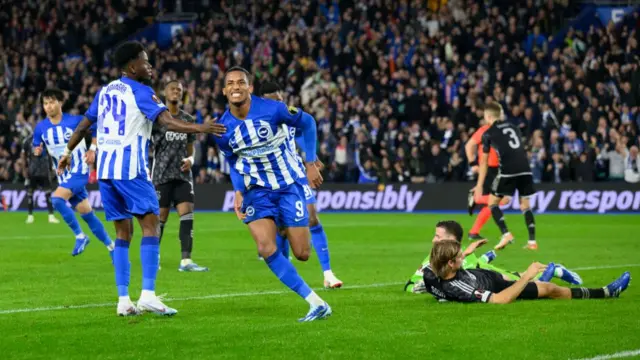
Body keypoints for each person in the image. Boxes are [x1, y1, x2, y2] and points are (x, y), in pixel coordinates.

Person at [58, 41, 225, 316]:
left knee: (123, 233)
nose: (150, 66)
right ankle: (148, 294)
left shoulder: (105, 91)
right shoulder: (141, 91)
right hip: (130, 169)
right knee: (151, 226)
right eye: (145, 61)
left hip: (107, 173)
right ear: (132, 66)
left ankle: (123, 300)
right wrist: (201, 127)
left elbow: (85, 124)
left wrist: (67, 151)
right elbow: (167, 122)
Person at [213, 66, 331, 322]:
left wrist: (310, 163)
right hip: (257, 191)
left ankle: (280, 224)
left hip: (289, 186)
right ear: (224, 90)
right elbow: (233, 162)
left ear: (250, 87)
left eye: (241, 82)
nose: (236, 87)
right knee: (266, 247)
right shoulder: (222, 129)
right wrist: (237, 190)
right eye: (230, 83)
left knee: (302, 253)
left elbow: (308, 122)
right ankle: (315, 302)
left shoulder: (272, 109)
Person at [259, 81, 343, 289]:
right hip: (272, 180)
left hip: (295, 173)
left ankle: (328, 273)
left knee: (312, 217)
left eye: (280, 98)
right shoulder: (257, 122)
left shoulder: (286, 114)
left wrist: (311, 158)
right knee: (282, 229)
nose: (280, 103)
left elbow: (302, 131)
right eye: (275, 100)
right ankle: (286, 273)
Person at [32, 88, 113, 258]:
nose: (48, 106)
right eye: (45, 103)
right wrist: (38, 151)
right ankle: (112, 248)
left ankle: (80, 236)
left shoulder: (75, 120)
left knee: (56, 199)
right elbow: (37, 145)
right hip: (63, 175)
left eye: (52, 102)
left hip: (79, 169)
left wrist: (92, 148)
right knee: (88, 215)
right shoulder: (40, 128)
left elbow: (97, 126)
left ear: (60, 103)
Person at [424, 239, 631, 303]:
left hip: (488, 275)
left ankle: (545, 273)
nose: (463, 256)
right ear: (450, 264)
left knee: (531, 279)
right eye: (459, 256)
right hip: (500, 285)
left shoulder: (432, 272)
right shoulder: (459, 287)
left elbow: (433, 275)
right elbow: (499, 300)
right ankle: (606, 292)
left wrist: (467, 251)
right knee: (550, 289)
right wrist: (526, 278)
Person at [404, 220, 582, 294]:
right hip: (498, 275)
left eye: (437, 236)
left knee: (525, 283)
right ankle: (554, 270)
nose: (433, 240)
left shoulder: (455, 259)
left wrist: (416, 287)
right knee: (517, 275)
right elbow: (411, 283)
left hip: (498, 281)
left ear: (451, 240)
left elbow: (412, 283)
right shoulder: (449, 256)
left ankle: (551, 272)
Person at [151, 80, 208, 272]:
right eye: (172, 89)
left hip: (183, 176)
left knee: (187, 215)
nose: (176, 92)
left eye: (179, 90)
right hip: (161, 175)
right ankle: (154, 258)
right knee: (160, 219)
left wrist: (191, 160)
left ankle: (186, 261)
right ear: (165, 93)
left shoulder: (188, 119)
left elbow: (191, 149)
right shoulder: (157, 119)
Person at [474, 102, 537, 250]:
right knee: (525, 206)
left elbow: (483, 162)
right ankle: (532, 242)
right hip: (525, 169)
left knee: (492, 203)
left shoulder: (488, 133)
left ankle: (506, 234)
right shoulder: (513, 127)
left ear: (488, 116)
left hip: (508, 170)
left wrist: (479, 185)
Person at [465, 121, 509, 240]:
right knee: (503, 200)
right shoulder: (484, 130)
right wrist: (473, 164)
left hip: (497, 169)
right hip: (489, 169)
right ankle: (475, 198)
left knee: (493, 203)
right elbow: (469, 145)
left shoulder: (503, 131)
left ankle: (474, 232)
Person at [21, 134, 59, 224]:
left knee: (48, 193)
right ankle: (30, 216)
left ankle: (51, 216)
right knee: (30, 193)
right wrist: (24, 168)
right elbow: (23, 155)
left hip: (44, 170)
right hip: (32, 170)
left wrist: (52, 168)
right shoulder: (27, 140)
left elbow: (51, 154)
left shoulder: (46, 140)